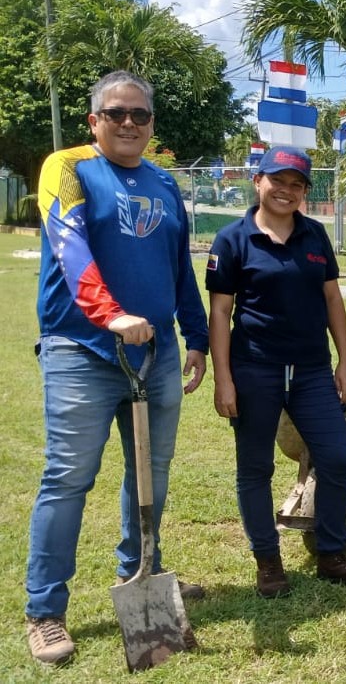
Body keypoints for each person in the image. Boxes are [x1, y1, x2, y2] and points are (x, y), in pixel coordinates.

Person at [27, 71, 208, 665]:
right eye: (116, 113)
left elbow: (179, 266)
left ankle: (144, 576)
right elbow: (70, 245)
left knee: (149, 475)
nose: (128, 123)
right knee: (69, 478)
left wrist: (198, 336)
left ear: (152, 124)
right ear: (94, 121)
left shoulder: (162, 180)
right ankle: (46, 611)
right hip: (81, 351)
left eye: (139, 115)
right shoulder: (68, 168)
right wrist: (110, 315)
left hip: (153, 356)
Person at [206, 146, 346, 596]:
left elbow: (332, 300)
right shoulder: (232, 240)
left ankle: (331, 553)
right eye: (277, 181)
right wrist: (223, 378)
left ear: (305, 191)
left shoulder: (315, 236)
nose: (286, 191)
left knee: (337, 456)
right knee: (255, 466)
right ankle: (267, 561)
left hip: (311, 371)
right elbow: (220, 313)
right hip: (254, 370)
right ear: (257, 181)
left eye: (296, 184)